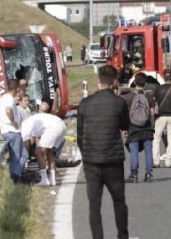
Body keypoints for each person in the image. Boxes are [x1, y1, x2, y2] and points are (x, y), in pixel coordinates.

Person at [77, 65, 130, 239]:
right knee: (119, 201)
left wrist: (86, 154)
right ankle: (122, 235)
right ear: (114, 81)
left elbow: (80, 135)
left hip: (91, 161)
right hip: (113, 159)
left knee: (94, 204)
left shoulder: (84, 104)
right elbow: (124, 125)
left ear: (98, 81)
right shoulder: (119, 103)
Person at [21, 102, 66, 186]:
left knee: (37, 152)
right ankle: (52, 180)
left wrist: (25, 157)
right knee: (50, 152)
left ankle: (44, 179)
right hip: (61, 125)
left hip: (54, 127)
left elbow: (27, 144)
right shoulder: (32, 119)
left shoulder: (24, 126)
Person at [121, 72, 155, 183]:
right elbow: (152, 114)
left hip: (133, 128)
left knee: (134, 151)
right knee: (149, 151)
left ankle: (134, 175)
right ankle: (149, 174)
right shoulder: (149, 97)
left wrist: (125, 129)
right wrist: (152, 127)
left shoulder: (128, 97)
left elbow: (125, 114)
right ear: (145, 83)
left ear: (134, 82)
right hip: (147, 128)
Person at [0, 79, 28, 183]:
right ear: (16, 88)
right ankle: (14, 179)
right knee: (17, 157)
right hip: (12, 131)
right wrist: (13, 121)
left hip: (8, 131)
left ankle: (16, 175)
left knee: (24, 155)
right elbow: (8, 110)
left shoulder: (4, 98)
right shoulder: (9, 98)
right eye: (18, 89)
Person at [153, 70, 171, 167]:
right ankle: (169, 162)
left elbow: (154, 102)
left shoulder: (158, 89)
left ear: (163, 78)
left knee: (156, 139)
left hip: (160, 116)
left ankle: (156, 162)